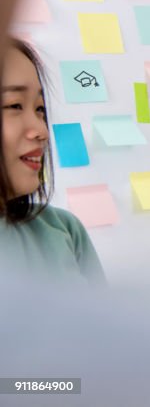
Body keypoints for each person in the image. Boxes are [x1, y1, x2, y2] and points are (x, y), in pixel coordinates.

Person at [0, 37, 104, 284]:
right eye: (15, 105)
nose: (42, 131)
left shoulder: (63, 229)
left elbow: (107, 322)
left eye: (40, 109)